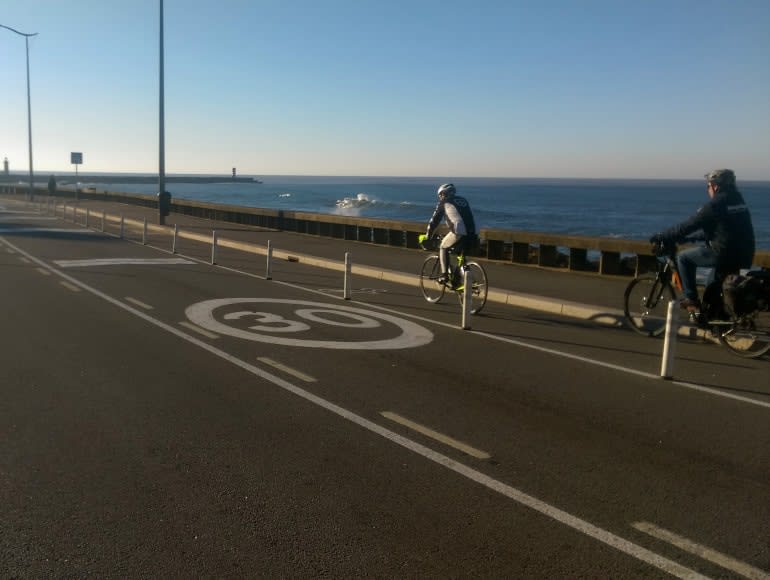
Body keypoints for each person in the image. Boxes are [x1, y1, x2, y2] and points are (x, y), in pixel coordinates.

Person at [650, 169, 755, 311]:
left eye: (708, 186)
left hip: (723, 254)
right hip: (745, 255)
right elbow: (723, 232)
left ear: (715, 186)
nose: (708, 190)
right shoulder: (738, 200)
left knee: (683, 258)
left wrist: (662, 236)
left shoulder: (715, 205)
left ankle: (691, 299)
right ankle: (719, 323)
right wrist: (691, 238)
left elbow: (687, 226)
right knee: (712, 288)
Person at [419, 183, 477, 287]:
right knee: (460, 256)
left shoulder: (444, 203)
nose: (440, 197)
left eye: (440, 195)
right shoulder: (463, 200)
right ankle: (461, 280)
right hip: (474, 231)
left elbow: (434, 221)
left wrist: (428, 236)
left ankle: (444, 275)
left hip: (459, 232)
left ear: (443, 194)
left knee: (443, 247)